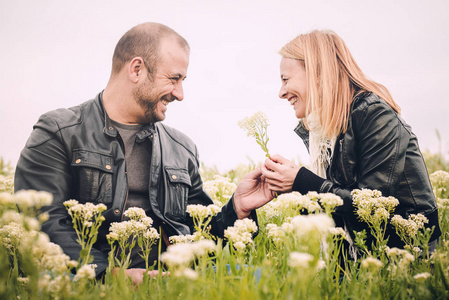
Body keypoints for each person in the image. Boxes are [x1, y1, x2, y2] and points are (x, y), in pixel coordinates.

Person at [14, 22, 275, 283]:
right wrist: (111, 277)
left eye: (182, 81)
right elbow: (42, 222)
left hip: (166, 281)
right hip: (90, 281)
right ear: (136, 69)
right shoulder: (59, 130)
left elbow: (199, 239)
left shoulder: (181, 147)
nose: (180, 94)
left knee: (258, 277)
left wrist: (237, 209)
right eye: (174, 79)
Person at [261, 30, 440, 255]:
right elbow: (338, 206)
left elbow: (372, 207)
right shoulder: (323, 129)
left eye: (286, 79)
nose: (281, 92)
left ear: (318, 73)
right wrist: (288, 188)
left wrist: (301, 181)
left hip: (407, 257)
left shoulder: (373, 114)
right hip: (363, 255)